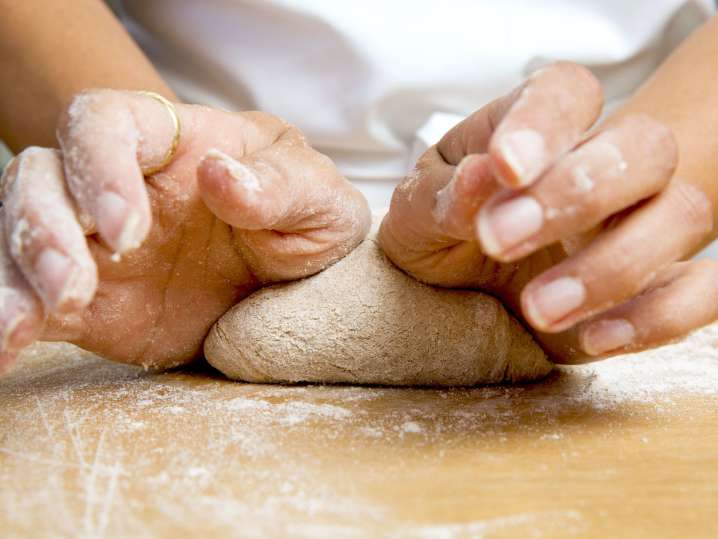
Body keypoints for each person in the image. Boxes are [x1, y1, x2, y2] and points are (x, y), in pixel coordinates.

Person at [1, 0, 718, 374]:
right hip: (221, 203)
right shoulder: (201, 211)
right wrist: (152, 182)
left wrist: (623, 201)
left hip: (582, 170)